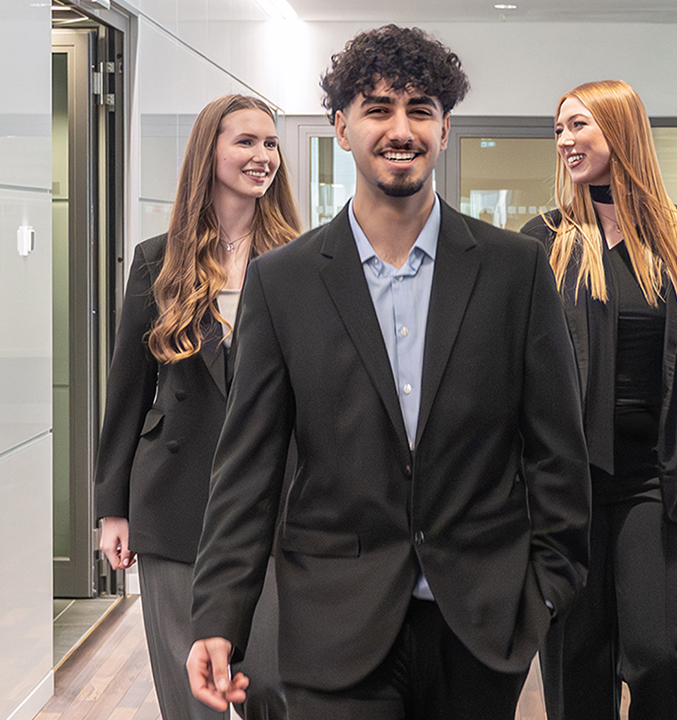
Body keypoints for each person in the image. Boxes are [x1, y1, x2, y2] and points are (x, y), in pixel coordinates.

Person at [184, 25, 591, 720]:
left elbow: (557, 449)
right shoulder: (282, 283)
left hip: (480, 624)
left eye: (420, 110)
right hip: (334, 625)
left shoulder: (514, 270)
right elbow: (247, 469)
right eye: (378, 109)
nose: (400, 129)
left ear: (444, 129)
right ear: (342, 128)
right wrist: (219, 615)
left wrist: (548, 589)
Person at [521, 79, 677, 720]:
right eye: (559, 129)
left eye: (578, 125)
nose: (565, 140)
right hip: (566, 486)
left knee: (659, 652)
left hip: (653, 482)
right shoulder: (543, 239)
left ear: (621, 129)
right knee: (575, 657)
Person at [94, 94, 300, 720]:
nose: (263, 156)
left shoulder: (301, 259)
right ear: (209, 151)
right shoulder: (157, 260)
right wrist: (112, 509)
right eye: (246, 142)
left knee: (274, 688)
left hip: (276, 501)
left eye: (270, 143)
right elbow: (127, 391)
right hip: (175, 500)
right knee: (191, 703)